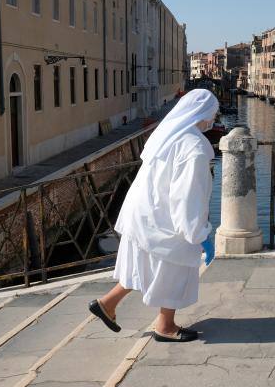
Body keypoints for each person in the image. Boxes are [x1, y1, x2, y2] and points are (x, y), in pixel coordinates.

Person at [88, 89, 219, 342]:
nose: (211, 121)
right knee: (175, 268)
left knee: (142, 265)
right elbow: (187, 195)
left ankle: (106, 304)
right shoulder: (195, 146)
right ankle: (166, 326)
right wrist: (198, 234)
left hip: (142, 213)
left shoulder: (167, 134)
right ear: (202, 114)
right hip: (163, 218)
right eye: (211, 115)